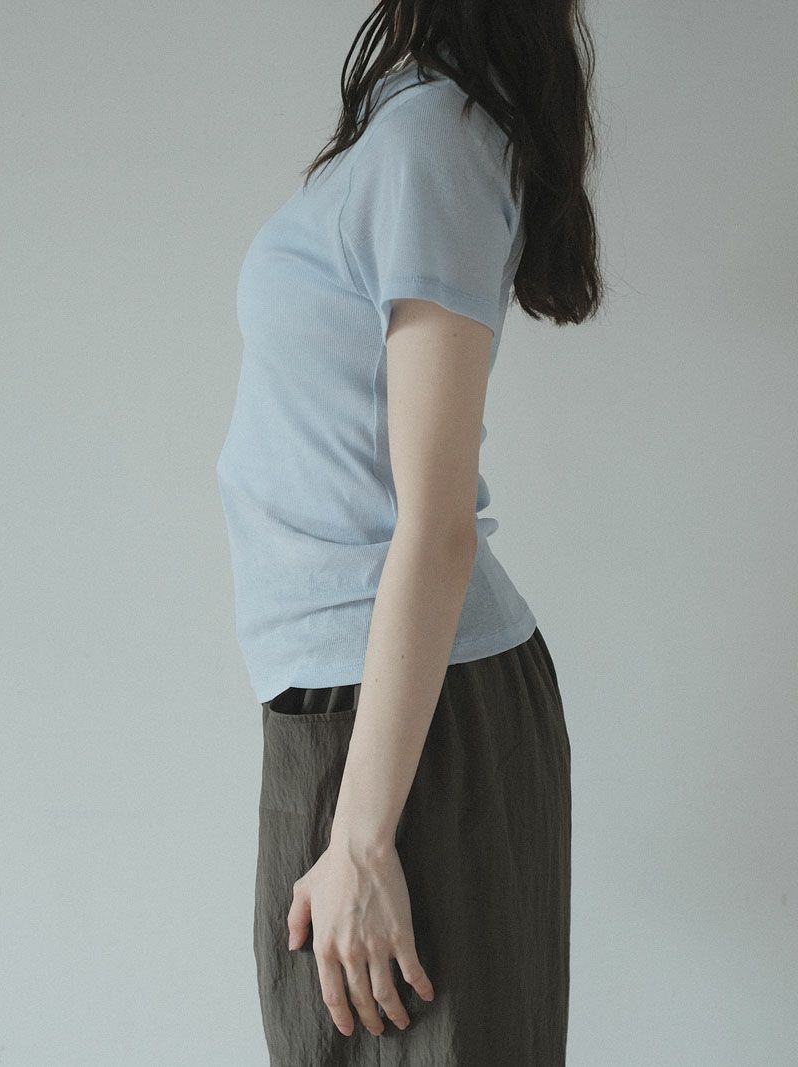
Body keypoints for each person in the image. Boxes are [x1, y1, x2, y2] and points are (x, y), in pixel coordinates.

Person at [216, 4, 602, 1063]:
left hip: (408, 725)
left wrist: (361, 831)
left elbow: (435, 526)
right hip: (360, 707)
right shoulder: (413, 122)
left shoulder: (435, 135)